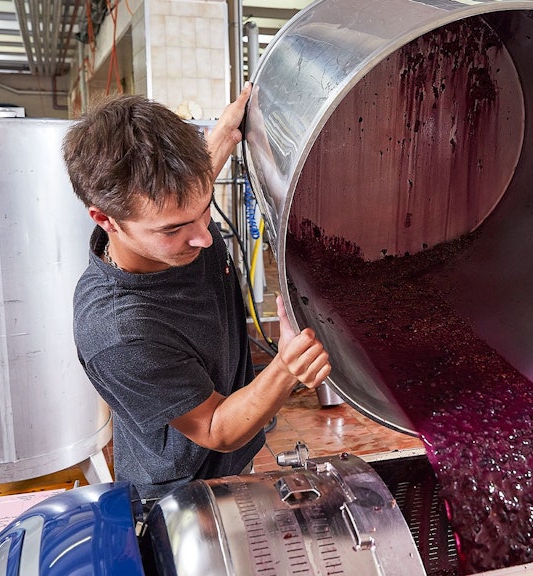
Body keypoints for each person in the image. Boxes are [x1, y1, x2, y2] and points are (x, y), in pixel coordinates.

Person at [62, 82, 332, 501]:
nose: (203, 238)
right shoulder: (119, 332)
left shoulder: (177, 206)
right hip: (182, 490)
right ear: (106, 220)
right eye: (173, 230)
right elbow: (215, 429)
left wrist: (230, 127)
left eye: (204, 208)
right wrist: (286, 368)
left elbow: (206, 162)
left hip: (239, 453)